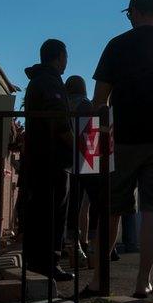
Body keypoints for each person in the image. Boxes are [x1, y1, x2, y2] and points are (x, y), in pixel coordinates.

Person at [82, 0, 153, 299]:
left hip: (123, 140)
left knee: (112, 210)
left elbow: (98, 102)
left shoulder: (117, 46)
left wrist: (93, 148)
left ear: (134, 11)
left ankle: (98, 280)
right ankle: (142, 281)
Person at [21, 39, 75, 282]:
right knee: (54, 212)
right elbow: (59, 121)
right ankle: (49, 263)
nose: (66, 62)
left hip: (37, 157)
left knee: (39, 211)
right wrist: (75, 145)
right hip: (52, 159)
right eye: (65, 56)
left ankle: (35, 261)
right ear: (59, 57)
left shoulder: (36, 81)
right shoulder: (50, 82)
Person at [65, 75, 93, 269]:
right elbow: (92, 134)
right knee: (85, 206)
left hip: (65, 159)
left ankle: (71, 243)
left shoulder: (63, 105)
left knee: (69, 206)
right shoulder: (87, 105)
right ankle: (83, 244)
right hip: (85, 160)